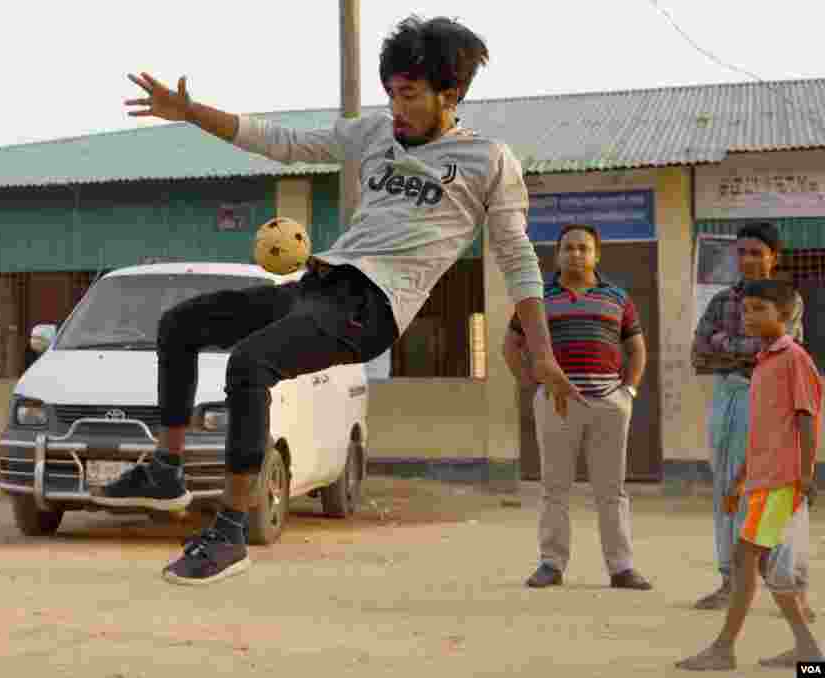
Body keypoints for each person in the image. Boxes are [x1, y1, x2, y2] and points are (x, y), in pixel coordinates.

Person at [102, 14, 585, 586]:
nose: (396, 107)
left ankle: (230, 531)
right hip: (321, 285)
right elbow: (279, 142)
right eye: (390, 93)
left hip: (373, 308)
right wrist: (191, 112)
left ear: (449, 94)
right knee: (180, 324)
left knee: (249, 363)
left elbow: (517, 258)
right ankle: (167, 468)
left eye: (408, 95)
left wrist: (545, 353)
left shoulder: (488, 161)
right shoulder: (374, 134)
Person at [677, 279, 822, 671]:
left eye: (759, 309)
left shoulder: (793, 358)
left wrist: (806, 475)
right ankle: (808, 650)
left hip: (780, 482)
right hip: (760, 481)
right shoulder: (763, 361)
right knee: (761, 566)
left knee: (748, 561)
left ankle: (724, 650)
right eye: (745, 310)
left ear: (786, 314)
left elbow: (807, 419)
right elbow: (762, 432)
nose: (748, 317)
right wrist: (740, 479)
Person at [502, 224, 652, 590]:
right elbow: (511, 346)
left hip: (609, 405)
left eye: (583, 248)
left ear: (596, 254)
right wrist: (535, 385)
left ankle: (621, 568)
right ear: (557, 255)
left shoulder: (617, 297)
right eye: (568, 248)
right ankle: (551, 564)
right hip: (557, 405)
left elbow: (636, 349)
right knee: (555, 486)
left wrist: (627, 392)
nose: (576, 254)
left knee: (611, 489)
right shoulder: (537, 300)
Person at [691, 221, 807, 612]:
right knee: (727, 488)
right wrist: (742, 347)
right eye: (741, 252)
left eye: (757, 252)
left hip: (770, 402)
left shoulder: (789, 299)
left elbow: (774, 349)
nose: (748, 259)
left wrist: (724, 344)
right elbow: (698, 351)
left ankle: (789, 586)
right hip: (729, 398)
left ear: (774, 256)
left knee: (773, 491)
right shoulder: (721, 299)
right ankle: (729, 581)